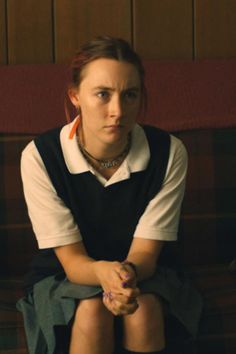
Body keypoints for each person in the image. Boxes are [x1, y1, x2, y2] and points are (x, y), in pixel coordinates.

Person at [17, 36, 202, 354]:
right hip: (64, 273)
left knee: (143, 309)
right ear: (75, 96)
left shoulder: (169, 153)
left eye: (129, 95)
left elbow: (146, 256)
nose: (118, 110)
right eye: (102, 94)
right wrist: (105, 275)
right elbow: (73, 262)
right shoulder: (40, 156)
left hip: (147, 272)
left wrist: (125, 276)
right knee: (91, 310)